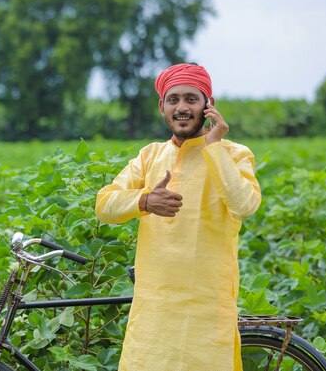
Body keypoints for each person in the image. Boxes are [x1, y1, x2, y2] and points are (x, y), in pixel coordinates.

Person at [95, 63, 261, 371]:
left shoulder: (234, 154)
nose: (182, 107)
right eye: (173, 100)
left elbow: (245, 205)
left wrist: (214, 148)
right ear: (162, 107)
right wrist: (144, 200)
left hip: (207, 307)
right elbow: (105, 205)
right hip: (154, 308)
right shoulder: (150, 156)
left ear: (208, 104)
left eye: (191, 99)